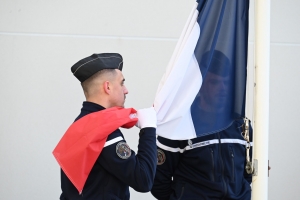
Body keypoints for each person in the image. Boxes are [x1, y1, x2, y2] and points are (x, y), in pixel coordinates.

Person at [151, 50, 253, 200]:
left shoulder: (242, 124)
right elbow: (158, 180)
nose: (223, 89)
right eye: (215, 82)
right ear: (200, 84)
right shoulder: (179, 124)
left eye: (226, 82)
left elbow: (248, 172)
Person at [60, 53, 157, 200]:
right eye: (122, 83)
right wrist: (148, 129)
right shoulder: (102, 130)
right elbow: (143, 179)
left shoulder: (81, 124)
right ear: (108, 87)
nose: (126, 90)